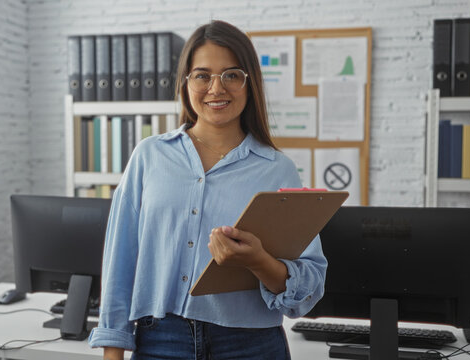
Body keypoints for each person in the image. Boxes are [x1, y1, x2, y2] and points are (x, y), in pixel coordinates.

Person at [88, 20, 327, 360]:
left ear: (249, 83)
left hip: (250, 345)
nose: (217, 88)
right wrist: (113, 353)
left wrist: (258, 261)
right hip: (159, 342)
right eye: (202, 75)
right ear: (185, 83)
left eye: (231, 74)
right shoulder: (149, 155)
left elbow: (309, 288)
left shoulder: (277, 168)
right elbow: (120, 262)